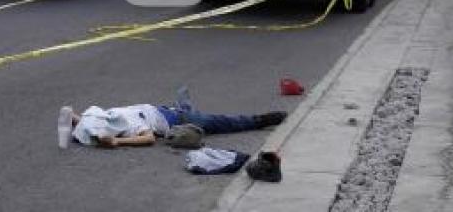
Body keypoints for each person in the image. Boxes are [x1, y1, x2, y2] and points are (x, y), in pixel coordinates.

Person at [62, 87, 287, 148]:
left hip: (175, 120)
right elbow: (81, 117)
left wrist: (117, 142)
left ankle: (259, 120)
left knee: (218, 122)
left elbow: (149, 139)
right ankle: (183, 103)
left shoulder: (129, 126)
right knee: (189, 112)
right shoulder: (103, 115)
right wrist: (72, 117)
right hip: (160, 111)